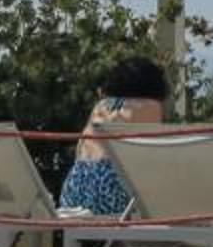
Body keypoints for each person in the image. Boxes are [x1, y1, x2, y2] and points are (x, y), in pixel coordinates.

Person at [58, 56, 171, 218]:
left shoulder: (101, 106)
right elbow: (155, 158)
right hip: (112, 191)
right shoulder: (149, 106)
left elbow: (79, 150)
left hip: (75, 190)